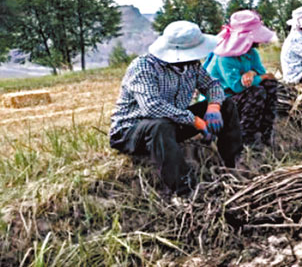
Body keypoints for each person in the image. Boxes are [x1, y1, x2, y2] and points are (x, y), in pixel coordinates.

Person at [109, 21, 242, 196]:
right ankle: (184, 190)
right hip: (133, 131)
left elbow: (212, 85)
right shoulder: (143, 67)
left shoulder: (191, 66)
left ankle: (232, 165)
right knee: (159, 125)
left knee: (227, 104)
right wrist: (194, 121)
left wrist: (214, 106)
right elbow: (152, 107)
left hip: (173, 123)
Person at [203, 10, 279, 148]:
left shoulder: (251, 53)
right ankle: (244, 137)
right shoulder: (224, 57)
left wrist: (251, 72)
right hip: (220, 100)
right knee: (257, 92)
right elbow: (237, 86)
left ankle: (265, 132)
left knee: (270, 84)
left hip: (237, 95)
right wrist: (259, 76)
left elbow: (261, 71)